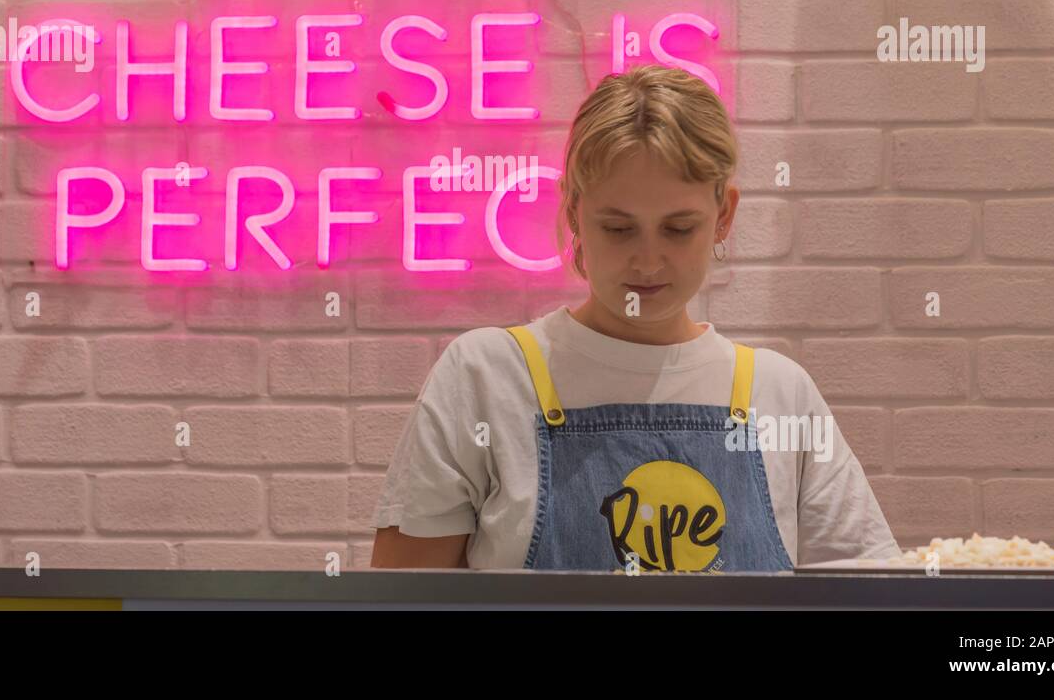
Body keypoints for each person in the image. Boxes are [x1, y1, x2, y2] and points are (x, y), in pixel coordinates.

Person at [370, 63, 901, 571]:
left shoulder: (781, 394)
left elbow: (868, 600)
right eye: (619, 228)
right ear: (575, 211)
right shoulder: (485, 377)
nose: (648, 261)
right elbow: (402, 604)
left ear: (724, 216)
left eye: (678, 228)